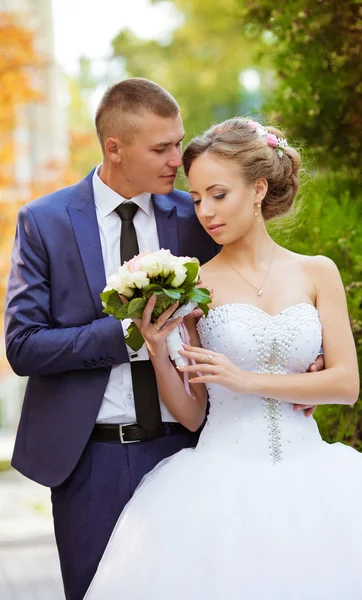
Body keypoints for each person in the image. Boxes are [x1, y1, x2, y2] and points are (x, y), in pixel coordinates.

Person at [4, 80, 321, 600]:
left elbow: (265, 287)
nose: (178, 158)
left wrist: (304, 356)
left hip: (194, 450)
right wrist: (133, 333)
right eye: (161, 148)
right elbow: (24, 346)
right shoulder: (45, 222)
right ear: (115, 148)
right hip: (92, 463)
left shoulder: (199, 215)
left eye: (178, 142)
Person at [83, 117, 362, 600]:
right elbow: (191, 414)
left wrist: (246, 379)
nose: (205, 211)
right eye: (195, 199)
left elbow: (345, 385)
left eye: (217, 194)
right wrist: (156, 349)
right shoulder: (193, 287)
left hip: (314, 477)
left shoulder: (318, 273)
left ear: (258, 189)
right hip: (219, 483)